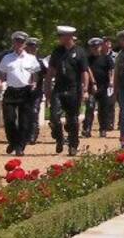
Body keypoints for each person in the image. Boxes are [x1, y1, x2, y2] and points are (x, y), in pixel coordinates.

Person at [44, 26, 89, 156]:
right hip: (59, 88)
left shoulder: (80, 52)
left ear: (68, 37)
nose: (59, 39)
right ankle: (59, 139)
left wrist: (85, 89)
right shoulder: (57, 51)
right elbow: (50, 72)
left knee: (72, 120)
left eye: (61, 36)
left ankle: (73, 145)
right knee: (54, 117)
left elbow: (84, 72)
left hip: (74, 89)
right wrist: (47, 89)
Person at [0, 31, 40, 156]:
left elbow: (35, 75)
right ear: (13, 43)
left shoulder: (31, 59)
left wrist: (34, 83)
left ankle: (20, 146)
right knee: (9, 119)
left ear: (24, 44)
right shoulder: (7, 58)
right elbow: (2, 74)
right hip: (11, 90)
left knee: (24, 121)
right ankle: (13, 141)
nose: (19, 44)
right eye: (16, 41)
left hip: (25, 91)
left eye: (21, 42)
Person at [83, 38, 116, 137]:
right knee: (90, 107)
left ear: (101, 47)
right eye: (93, 47)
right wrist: (92, 83)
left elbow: (112, 70)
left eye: (97, 47)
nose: (95, 49)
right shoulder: (87, 59)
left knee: (103, 109)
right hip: (91, 87)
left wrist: (111, 80)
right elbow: (86, 70)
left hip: (103, 86)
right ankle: (87, 129)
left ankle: (103, 129)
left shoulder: (106, 58)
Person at [24, 37, 48, 145]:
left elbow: (47, 76)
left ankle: (32, 135)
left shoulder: (41, 63)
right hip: (23, 91)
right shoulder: (21, 61)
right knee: (24, 113)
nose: (32, 49)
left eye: (34, 47)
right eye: (30, 47)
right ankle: (24, 133)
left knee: (34, 112)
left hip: (36, 92)